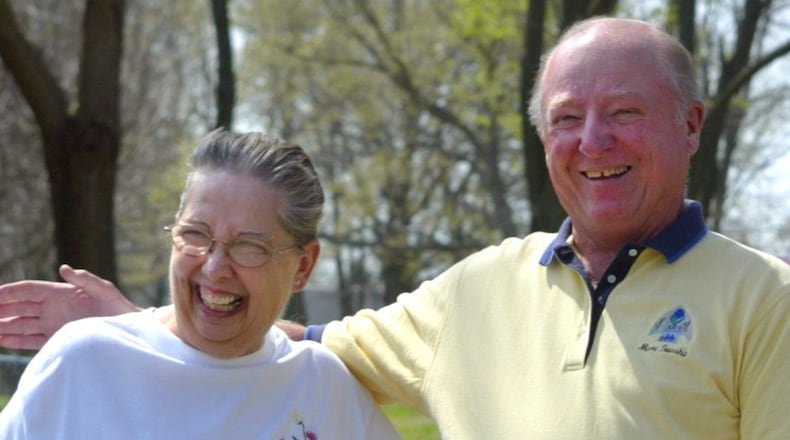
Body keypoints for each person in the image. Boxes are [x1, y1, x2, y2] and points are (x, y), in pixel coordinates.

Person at [1, 17, 789, 439]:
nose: (593, 143)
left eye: (624, 114)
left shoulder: (766, 302)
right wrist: (140, 326)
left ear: (690, 125)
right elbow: (285, 336)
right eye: (567, 120)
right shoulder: (480, 290)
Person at [0, 129, 400, 439]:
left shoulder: (323, 387)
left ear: (304, 265)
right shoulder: (84, 363)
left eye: (249, 246)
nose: (215, 268)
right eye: (195, 234)